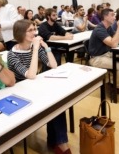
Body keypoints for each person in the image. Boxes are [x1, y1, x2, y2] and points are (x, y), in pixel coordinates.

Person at [7, 20, 71, 154]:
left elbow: (53, 65)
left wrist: (46, 47)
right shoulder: (12, 54)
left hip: (33, 86)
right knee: (52, 102)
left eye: (34, 29)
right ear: (20, 33)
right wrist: (35, 48)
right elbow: (30, 75)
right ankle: (58, 142)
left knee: (57, 102)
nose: (34, 33)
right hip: (19, 91)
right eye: (30, 30)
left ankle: (59, 142)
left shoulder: (34, 47)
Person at [88, 8, 119, 95]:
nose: (114, 17)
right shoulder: (99, 29)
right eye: (112, 15)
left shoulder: (108, 27)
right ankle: (117, 88)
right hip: (97, 58)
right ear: (105, 17)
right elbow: (113, 44)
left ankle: (113, 81)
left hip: (107, 54)